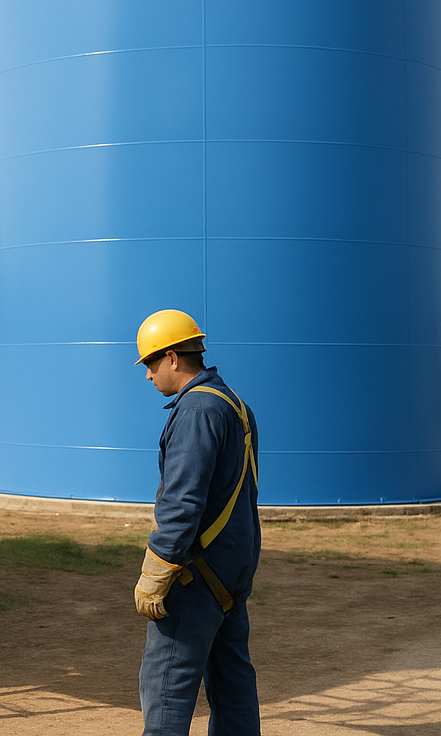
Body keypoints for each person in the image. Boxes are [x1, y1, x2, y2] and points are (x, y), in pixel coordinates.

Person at [132, 309, 261, 735]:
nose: (148, 376)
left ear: (172, 357)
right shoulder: (234, 404)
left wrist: (159, 568)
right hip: (232, 568)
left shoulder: (197, 410)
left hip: (196, 574)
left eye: (150, 363)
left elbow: (183, 500)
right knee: (232, 685)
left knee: (167, 684)